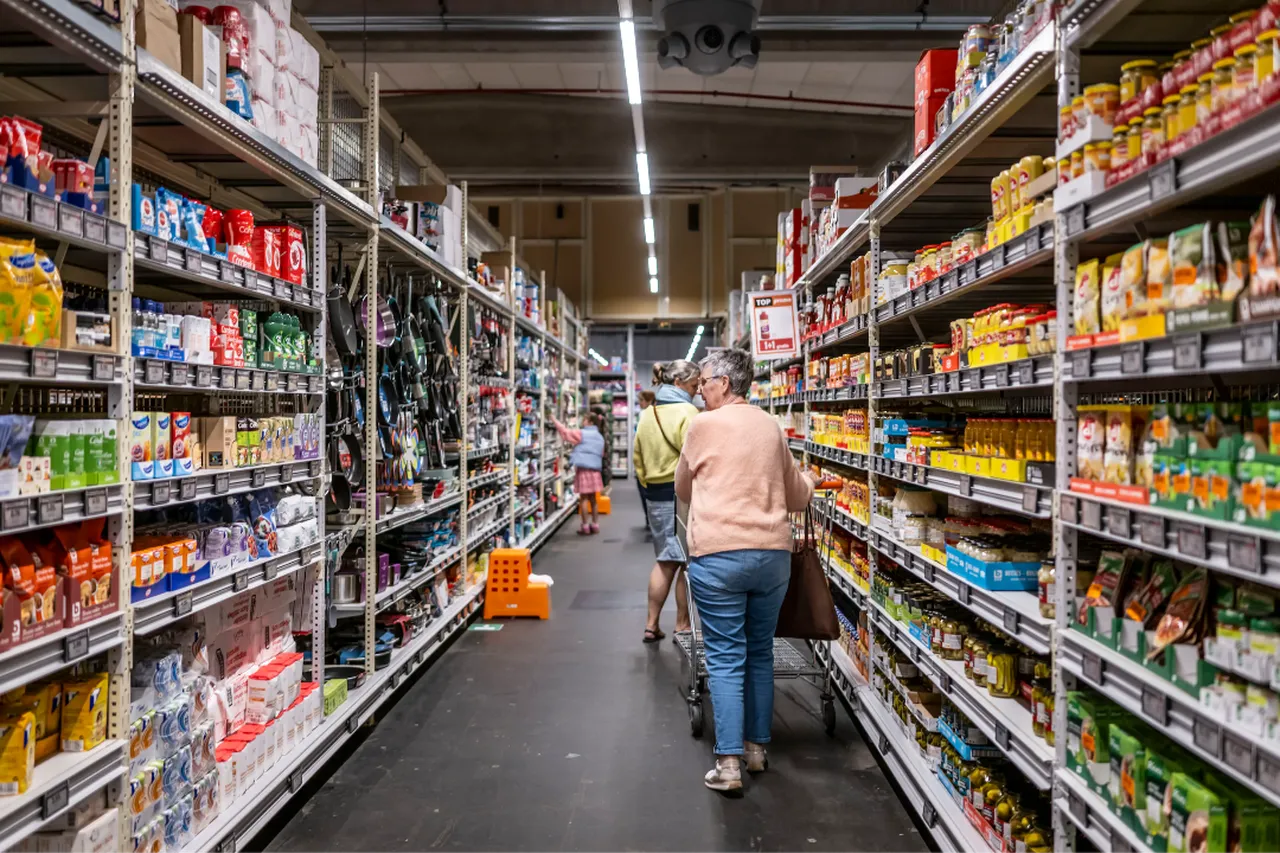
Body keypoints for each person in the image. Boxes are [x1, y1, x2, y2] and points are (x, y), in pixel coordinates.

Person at [675, 347, 819, 795]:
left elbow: (682, 486)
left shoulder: (703, 426)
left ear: (726, 383)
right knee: (759, 652)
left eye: (704, 381)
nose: (699, 389)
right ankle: (757, 750)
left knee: (723, 657)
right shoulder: (770, 426)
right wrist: (809, 480)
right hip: (771, 558)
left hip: (718, 556)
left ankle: (729, 762)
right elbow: (798, 497)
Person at [634, 360, 699, 643]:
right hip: (680, 494)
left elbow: (637, 457)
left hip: (654, 493)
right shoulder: (688, 411)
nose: (697, 391)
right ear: (679, 383)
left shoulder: (649, 413)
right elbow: (694, 456)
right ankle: (682, 624)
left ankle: (651, 624)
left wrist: (649, 484)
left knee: (663, 559)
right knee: (685, 561)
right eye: (694, 385)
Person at [551, 411, 606, 535]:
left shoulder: (582, 434)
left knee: (584, 499)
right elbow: (601, 454)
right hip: (595, 470)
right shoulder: (600, 436)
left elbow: (565, 433)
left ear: (590, 422)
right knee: (593, 499)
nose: (583, 421)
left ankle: (585, 526)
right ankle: (595, 524)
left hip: (584, 470)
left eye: (585, 420)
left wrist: (554, 420)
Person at [635, 389, 656, 527]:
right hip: (650, 458)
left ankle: (650, 519)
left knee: (645, 492)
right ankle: (650, 519)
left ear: (649, 401)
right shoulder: (653, 414)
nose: (640, 403)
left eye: (641, 400)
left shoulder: (645, 415)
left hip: (647, 460)